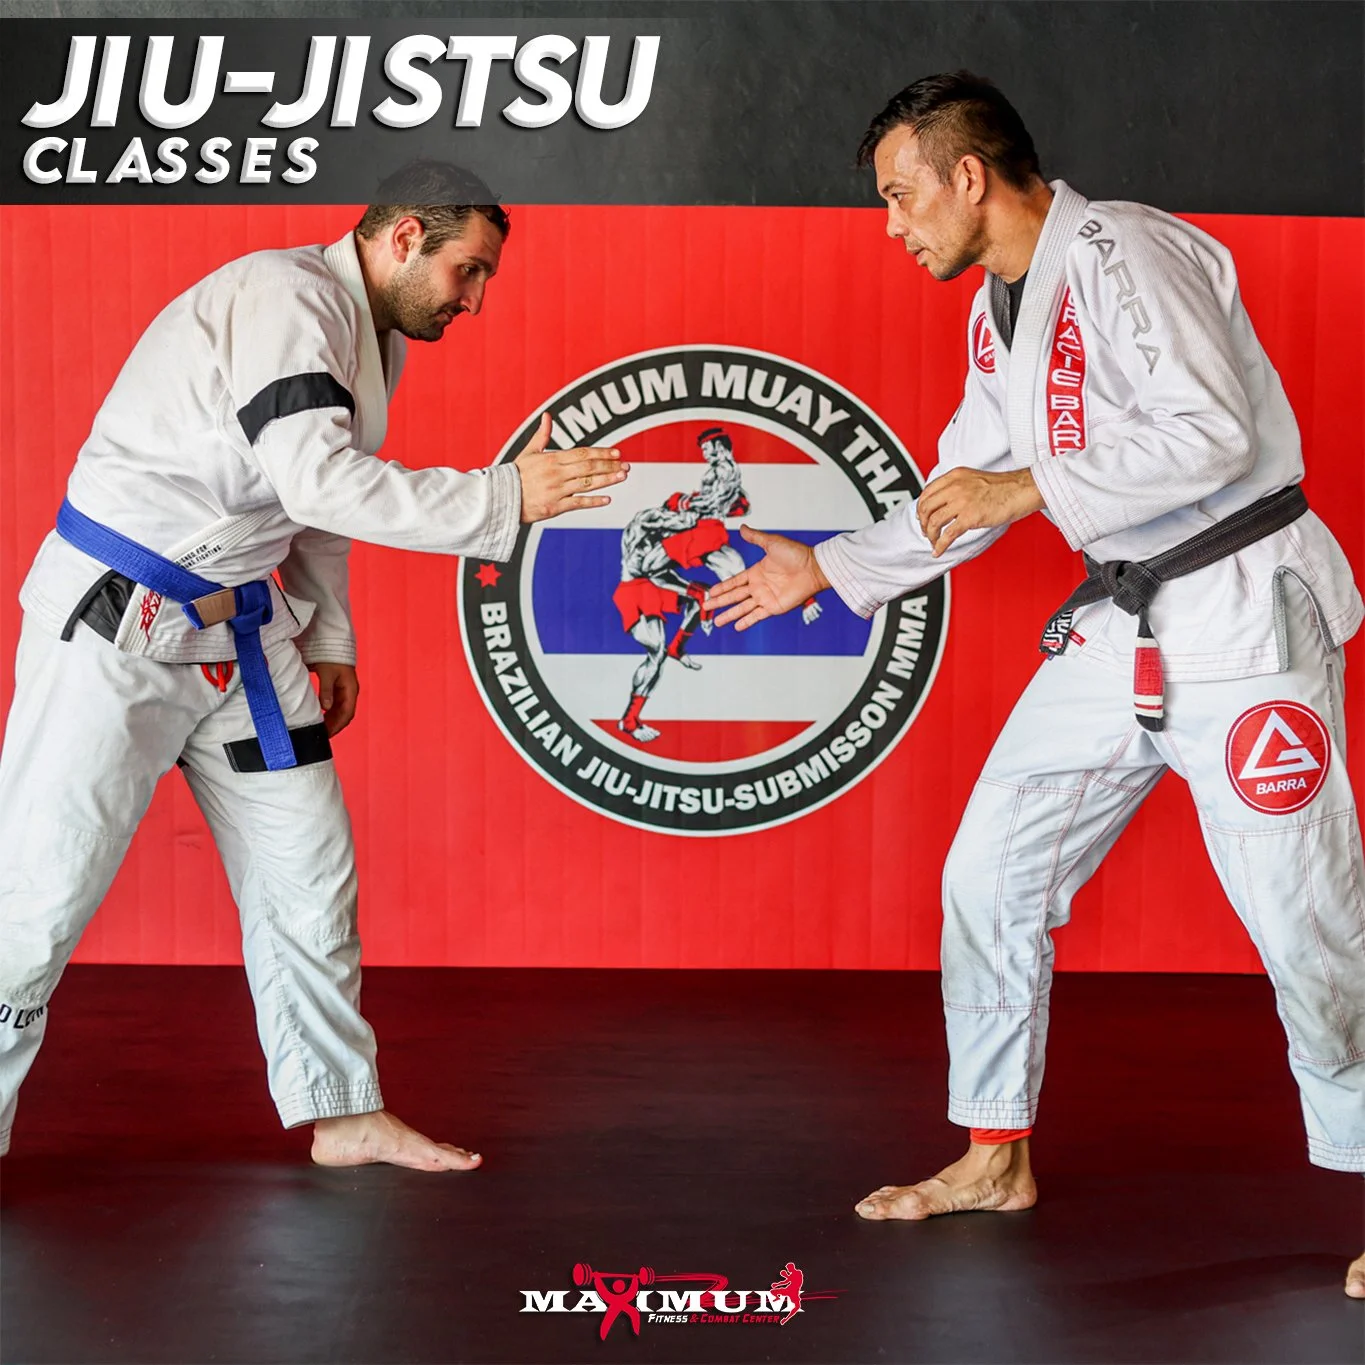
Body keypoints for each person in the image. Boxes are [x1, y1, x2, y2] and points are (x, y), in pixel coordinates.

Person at [705, 73, 1365, 1296]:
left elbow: (1212, 431)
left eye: (904, 196)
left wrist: (1031, 493)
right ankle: (995, 1152)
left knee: (1307, 918)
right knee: (990, 872)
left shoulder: (1126, 251)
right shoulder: (997, 314)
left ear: (970, 176)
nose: (895, 225)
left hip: (1239, 613)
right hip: (1124, 621)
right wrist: (836, 567)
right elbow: (969, 481)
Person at [0, 161, 629, 1172]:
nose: (475, 299)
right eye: (469, 270)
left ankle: (341, 1112)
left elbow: (307, 504)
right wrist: (506, 495)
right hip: (120, 632)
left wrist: (326, 639)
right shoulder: (287, 299)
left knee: (309, 873)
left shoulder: (369, 334)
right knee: (37, 894)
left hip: (245, 637)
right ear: (404, 238)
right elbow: (322, 481)